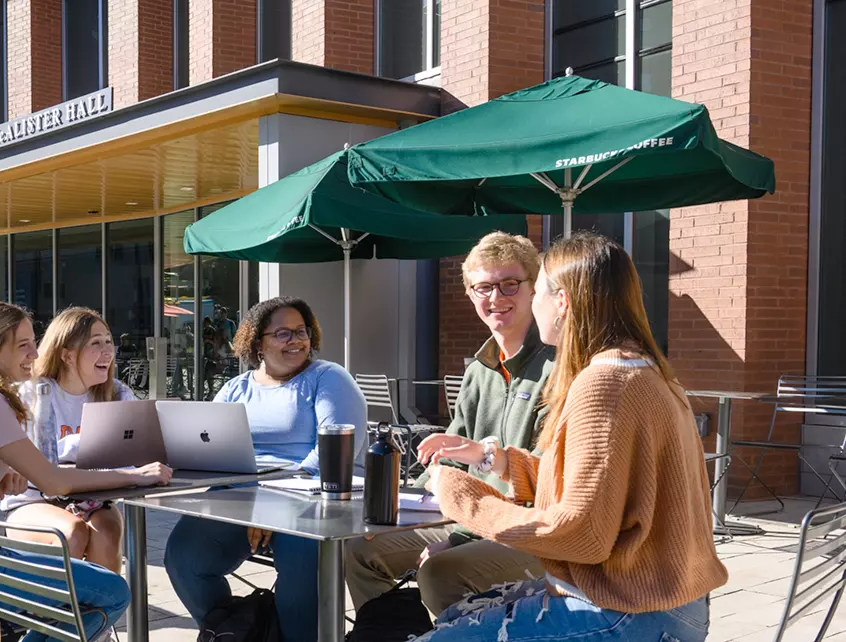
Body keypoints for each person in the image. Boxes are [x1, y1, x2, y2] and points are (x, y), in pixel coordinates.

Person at [414, 232, 726, 641]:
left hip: (629, 612)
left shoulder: (605, 383)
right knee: (456, 613)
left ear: (561, 302)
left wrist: (461, 496)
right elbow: (592, 485)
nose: (533, 305)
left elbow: (581, 536)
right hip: (663, 600)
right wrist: (499, 461)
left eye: (536, 291)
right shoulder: (641, 368)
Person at [0, 300, 172, 641]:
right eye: (23, 344)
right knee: (112, 593)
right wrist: (135, 476)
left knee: (97, 557)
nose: (35, 352)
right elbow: (54, 481)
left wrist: (5, 464)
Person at [345, 232, 551, 615]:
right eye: (484, 287)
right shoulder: (478, 371)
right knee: (360, 548)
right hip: (467, 518)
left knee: (440, 571)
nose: (496, 298)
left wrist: (457, 538)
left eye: (509, 284)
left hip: (529, 532)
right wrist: (399, 511)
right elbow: (451, 457)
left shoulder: (558, 367)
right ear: (471, 295)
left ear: (534, 289)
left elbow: (542, 483)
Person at [164, 296, 366, 642]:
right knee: (184, 558)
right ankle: (239, 632)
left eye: (301, 332)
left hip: (311, 502)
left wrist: (271, 509)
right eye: (283, 334)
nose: (297, 341)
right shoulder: (236, 388)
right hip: (240, 499)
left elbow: (333, 453)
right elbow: (209, 445)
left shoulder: (329, 378)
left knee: (302, 567)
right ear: (258, 342)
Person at [0, 307, 134, 570]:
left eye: (109, 341)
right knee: (71, 533)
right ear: (67, 355)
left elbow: (131, 452)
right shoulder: (33, 394)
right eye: (96, 343)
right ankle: (49, 611)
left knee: (107, 535)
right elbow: (34, 457)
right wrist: (84, 443)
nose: (108, 351)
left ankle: (98, 611)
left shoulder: (117, 394)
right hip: (32, 501)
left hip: (94, 500)